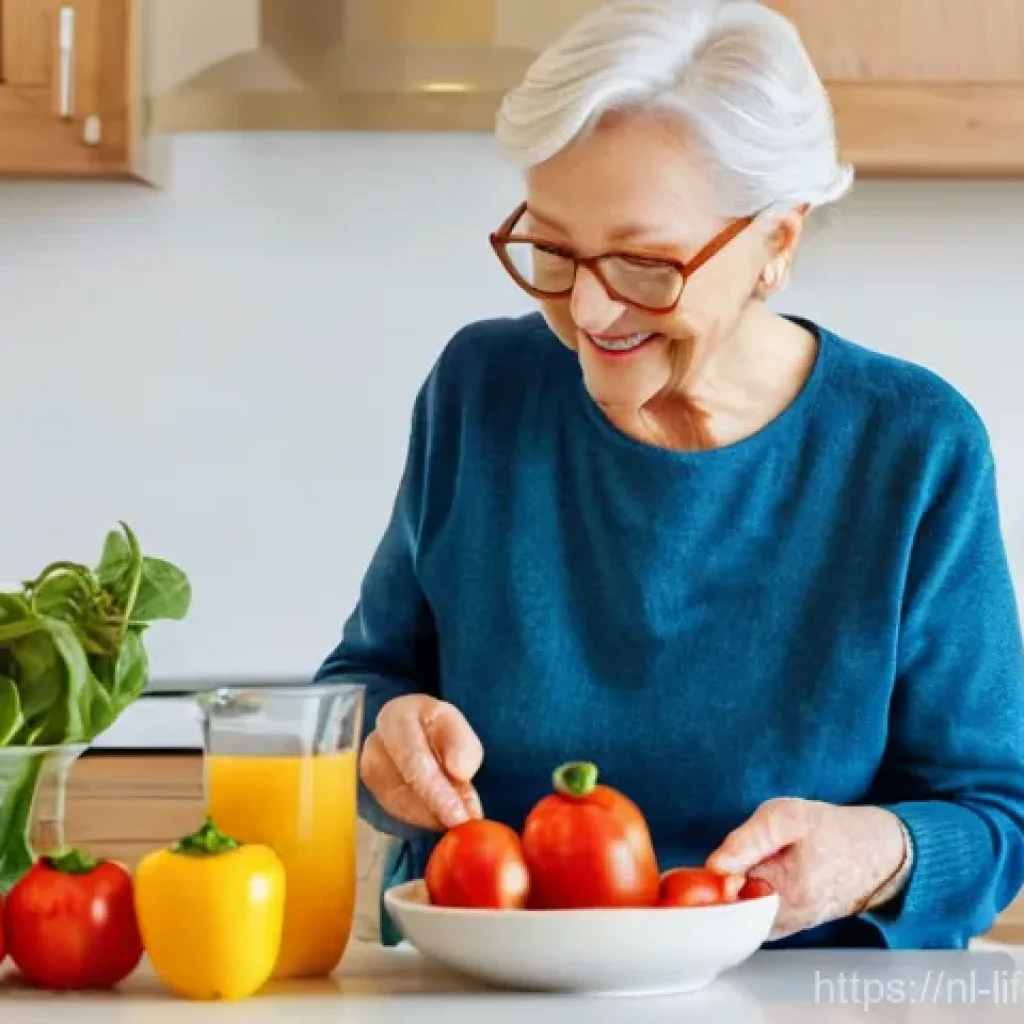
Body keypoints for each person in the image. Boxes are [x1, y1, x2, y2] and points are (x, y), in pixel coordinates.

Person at [315, 0, 1024, 949]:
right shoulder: (479, 392)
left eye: (647, 264)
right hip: (487, 987)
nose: (591, 311)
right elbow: (365, 679)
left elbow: (996, 815)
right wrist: (383, 737)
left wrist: (879, 854)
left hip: (796, 1002)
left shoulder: (912, 447)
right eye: (555, 251)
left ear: (777, 242)